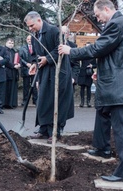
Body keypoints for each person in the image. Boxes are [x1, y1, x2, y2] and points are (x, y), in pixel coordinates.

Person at [58, 0, 123, 182]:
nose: (97, 18)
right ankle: (102, 147)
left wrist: (72, 51)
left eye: (98, 15)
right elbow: (112, 53)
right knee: (102, 112)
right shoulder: (121, 24)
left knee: (121, 128)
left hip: (118, 85)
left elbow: (98, 48)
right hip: (116, 81)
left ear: (106, 9)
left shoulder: (116, 24)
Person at [24, 11, 74, 144]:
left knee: (56, 102)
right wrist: (35, 64)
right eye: (28, 26)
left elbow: (61, 50)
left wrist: (47, 59)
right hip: (45, 72)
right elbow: (35, 54)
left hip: (59, 73)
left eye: (31, 25)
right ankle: (43, 129)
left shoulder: (53, 31)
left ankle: (55, 132)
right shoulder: (35, 35)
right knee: (43, 100)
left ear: (39, 20)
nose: (30, 28)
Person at [19, 35, 38, 106]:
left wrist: (34, 64)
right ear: (26, 40)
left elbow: (37, 56)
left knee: (34, 86)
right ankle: (25, 101)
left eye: (30, 39)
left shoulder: (36, 47)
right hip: (25, 69)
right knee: (26, 86)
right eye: (28, 39)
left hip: (34, 68)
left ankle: (35, 100)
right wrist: (26, 64)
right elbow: (20, 58)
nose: (29, 40)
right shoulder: (22, 48)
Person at [61, 26, 80, 93]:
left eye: (64, 33)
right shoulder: (54, 45)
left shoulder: (73, 46)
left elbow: (76, 65)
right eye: (61, 33)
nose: (62, 35)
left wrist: (73, 78)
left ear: (68, 34)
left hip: (68, 79)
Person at [78, 42, 96, 107]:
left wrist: (92, 66)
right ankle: (82, 102)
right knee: (82, 88)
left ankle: (88, 102)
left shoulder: (93, 55)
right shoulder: (83, 54)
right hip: (83, 72)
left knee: (89, 88)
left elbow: (96, 65)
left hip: (89, 73)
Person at [4, 38, 20, 108]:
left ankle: (12, 103)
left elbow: (20, 59)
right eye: (9, 43)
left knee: (13, 88)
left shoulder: (14, 51)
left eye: (12, 43)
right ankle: (6, 104)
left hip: (14, 72)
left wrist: (19, 64)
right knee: (6, 88)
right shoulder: (4, 50)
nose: (11, 44)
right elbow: (5, 61)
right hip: (6, 72)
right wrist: (13, 66)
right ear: (6, 43)